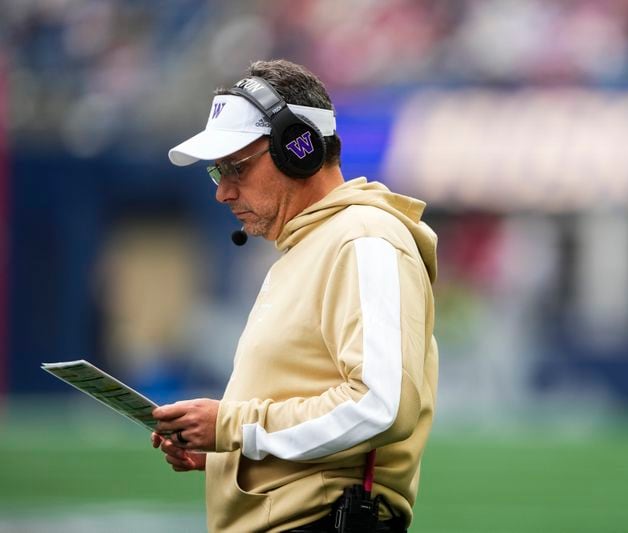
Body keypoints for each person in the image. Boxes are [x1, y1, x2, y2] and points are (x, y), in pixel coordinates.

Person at [150, 59, 438, 533]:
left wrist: (232, 427)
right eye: (217, 172)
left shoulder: (362, 237)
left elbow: (379, 406)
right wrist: (231, 453)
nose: (223, 191)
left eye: (235, 167)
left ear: (297, 148)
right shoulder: (317, 243)